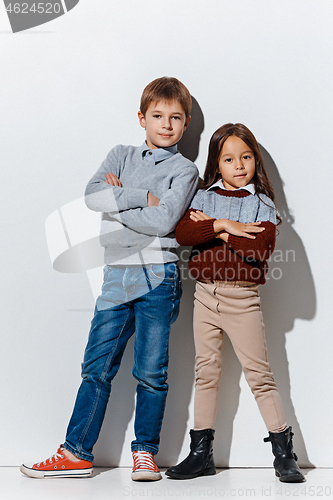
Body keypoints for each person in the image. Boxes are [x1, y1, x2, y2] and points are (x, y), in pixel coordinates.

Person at [20, 77, 199, 481]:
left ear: (186, 124)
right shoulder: (120, 155)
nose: (166, 125)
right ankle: (76, 452)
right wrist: (140, 198)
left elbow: (164, 221)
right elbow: (91, 195)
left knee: (152, 372)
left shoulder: (186, 171)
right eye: (157, 116)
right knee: (96, 366)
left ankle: (145, 454)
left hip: (159, 275)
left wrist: (116, 205)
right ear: (142, 118)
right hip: (117, 275)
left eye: (175, 118)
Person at [165, 123, 304, 483]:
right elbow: (184, 233)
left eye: (245, 157)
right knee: (205, 372)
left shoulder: (262, 204)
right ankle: (201, 454)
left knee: (260, 375)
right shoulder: (204, 196)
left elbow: (259, 251)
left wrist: (212, 229)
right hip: (205, 295)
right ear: (217, 164)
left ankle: (283, 451)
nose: (238, 165)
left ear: (255, 160)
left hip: (242, 297)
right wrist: (225, 225)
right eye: (229, 159)